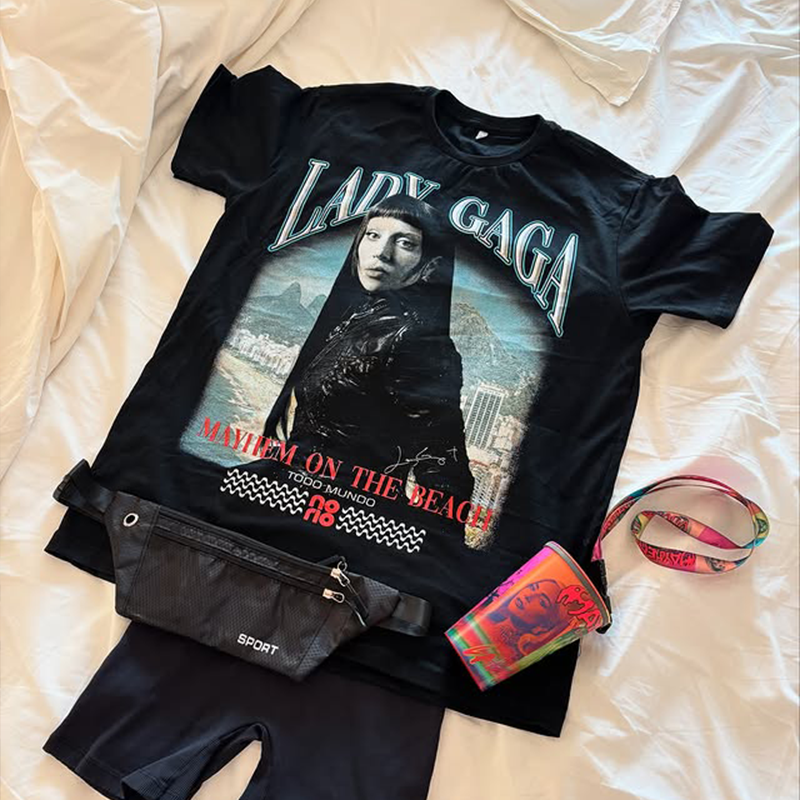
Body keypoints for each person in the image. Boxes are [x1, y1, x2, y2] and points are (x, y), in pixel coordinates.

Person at [261, 193, 475, 514]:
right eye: (373, 235)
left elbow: (444, 468)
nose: (381, 253)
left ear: (430, 266)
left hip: (348, 513)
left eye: (405, 243)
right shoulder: (356, 319)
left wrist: (392, 539)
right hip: (296, 490)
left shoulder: (420, 342)